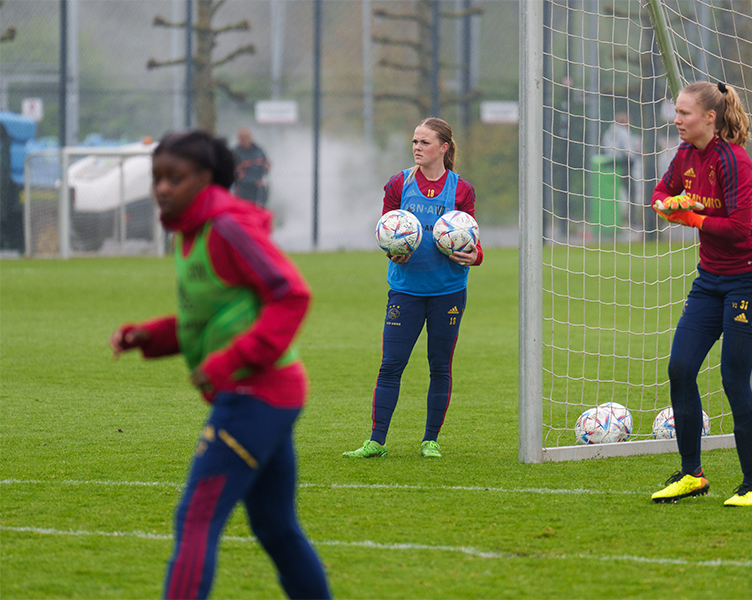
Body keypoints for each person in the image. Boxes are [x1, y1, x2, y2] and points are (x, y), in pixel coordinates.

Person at [109, 130, 331, 599]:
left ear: (206, 180)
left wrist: (230, 364)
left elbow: (292, 294)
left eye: (176, 177)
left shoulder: (227, 227)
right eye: (157, 178)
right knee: (275, 526)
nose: (163, 187)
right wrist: (148, 335)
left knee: (196, 517)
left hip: (255, 395)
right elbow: (209, 319)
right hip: (267, 395)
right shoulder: (189, 234)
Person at [650, 82, 752, 507]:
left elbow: (740, 230)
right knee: (680, 367)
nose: (677, 119)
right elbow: (659, 194)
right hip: (710, 281)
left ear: (709, 117)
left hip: (749, 281)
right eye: (676, 112)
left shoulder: (734, 160)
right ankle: (692, 475)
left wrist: (687, 215)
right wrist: (667, 205)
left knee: (732, 378)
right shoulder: (685, 155)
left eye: (684, 113)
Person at [343, 117, 483, 459]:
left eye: (424, 142)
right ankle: (376, 441)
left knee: (439, 366)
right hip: (405, 290)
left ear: (443, 148)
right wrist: (393, 251)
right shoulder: (398, 184)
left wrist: (473, 257)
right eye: (414, 142)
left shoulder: (461, 189)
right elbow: (386, 230)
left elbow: (474, 242)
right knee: (391, 364)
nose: (417, 148)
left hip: (447, 291)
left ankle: (430, 440)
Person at [601, 111, 641, 228]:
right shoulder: (623, 132)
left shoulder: (608, 132)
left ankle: (612, 220)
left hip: (609, 164)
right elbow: (629, 151)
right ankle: (632, 221)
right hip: (624, 164)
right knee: (631, 193)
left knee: (612, 194)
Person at [232, 127, 270, 206]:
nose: (243, 140)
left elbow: (266, 166)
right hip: (242, 189)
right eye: (241, 138)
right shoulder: (235, 153)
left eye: (246, 138)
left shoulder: (258, 151)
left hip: (257, 189)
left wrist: (265, 171)